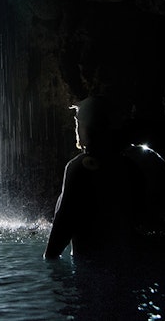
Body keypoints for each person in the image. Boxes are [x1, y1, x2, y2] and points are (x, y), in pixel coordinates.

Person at [43, 94, 145, 260]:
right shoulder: (129, 166)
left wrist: (50, 258)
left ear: (86, 127)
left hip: (90, 265)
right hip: (125, 262)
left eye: (77, 124)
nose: (76, 130)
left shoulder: (78, 168)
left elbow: (65, 221)